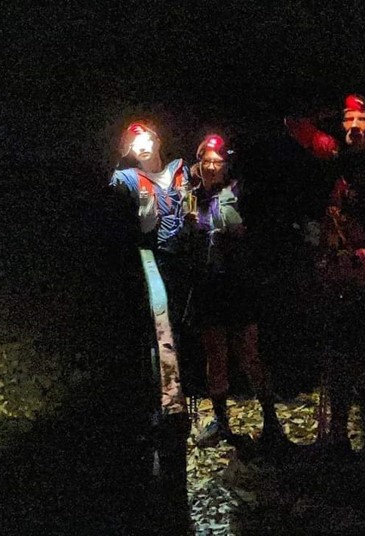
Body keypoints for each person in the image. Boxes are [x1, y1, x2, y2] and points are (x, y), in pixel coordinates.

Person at [285, 93, 365, 458]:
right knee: (336, 361)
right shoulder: (340, 160)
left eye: (362, 119)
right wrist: (324, 115)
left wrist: (359, 259)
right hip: (337, 280)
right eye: (348, 119)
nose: (354, 126)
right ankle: (338, 438)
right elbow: (294, 124)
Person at [109, 120, 195, 528]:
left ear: (158, 140)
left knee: (185, 325)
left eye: (145, 139)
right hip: (151, 256)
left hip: (185, 257)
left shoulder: (180, 170)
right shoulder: (125, 179)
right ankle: (167, 398)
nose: (141, 146)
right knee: (161, 329)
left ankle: (188, 390)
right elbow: (117, 215)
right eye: (133, 143)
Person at [184, 133, 286, 448]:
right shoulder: (190, 197)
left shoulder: (240, 192)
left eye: (217, 161)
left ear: (226, 165)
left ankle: (271, 421)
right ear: (198, 164)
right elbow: (184, 238)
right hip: (208, 285)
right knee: (215, 355)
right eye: (206, 161)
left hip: (239, 283)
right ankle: (221, 422)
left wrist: (241, 233)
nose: (212, 166)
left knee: (249, 354)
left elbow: (260, 228)